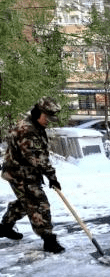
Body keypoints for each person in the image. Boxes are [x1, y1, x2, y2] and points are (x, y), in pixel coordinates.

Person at [0, 97, 65, 253]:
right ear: (39, 113)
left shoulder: (36, 126)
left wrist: (49, 175)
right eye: (47, 117)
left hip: (26, 172)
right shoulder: (27, 130)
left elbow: (40, 155)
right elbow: (36, 158)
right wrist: (51, 176)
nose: (49, 121)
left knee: (26, 202)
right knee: (38, 204)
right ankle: (48, 240)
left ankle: (5, 227)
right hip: (18, 174)